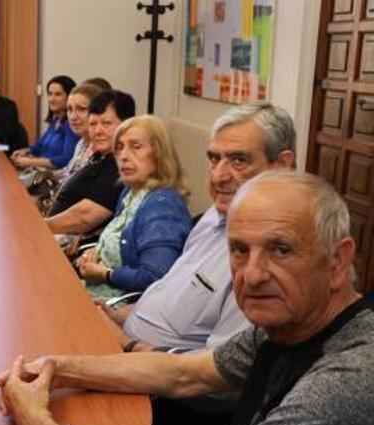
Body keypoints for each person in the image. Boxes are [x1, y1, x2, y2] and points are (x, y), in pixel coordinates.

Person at [0, 170, 373, 425]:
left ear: (338, 261)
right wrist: (54, 367)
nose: (253, 274)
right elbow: (183, 374)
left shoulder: (350, 376)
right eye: (239, 250)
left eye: (281, 250)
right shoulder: (289, 325)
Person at [102, 103, 296, 353]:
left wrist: (124, 343)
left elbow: (212, 374)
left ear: (281, 165)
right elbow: (169, 297)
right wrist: (115, 316)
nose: (217, 177)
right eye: (214, 159)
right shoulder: (215, 215)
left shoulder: (270, 260)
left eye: (238, 160)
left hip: (150, 378)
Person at [77, 115, 191, 301]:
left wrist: (106, 274)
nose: (123, 156)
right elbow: (118, 242)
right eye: (120, 148)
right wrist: (96, 253)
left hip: (120, 310)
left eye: (135, 147)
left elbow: (155, 277)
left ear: (159, 153)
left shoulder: (162, 205)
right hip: (94, 294)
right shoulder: (131, 192)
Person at [45, 90, 136, 236]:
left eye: (106, 123)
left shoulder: (121, 164)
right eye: (93, 124)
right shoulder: (100, 156)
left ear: (126, 125)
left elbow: (84, 218)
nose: (98, 131)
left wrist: (39, 226)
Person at [35, 82, 106, 214]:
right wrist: (37, 178)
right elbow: (67, 172)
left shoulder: (102, 151)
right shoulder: (82, 143)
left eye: (81, 109)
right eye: (70, 109)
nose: (73, 117)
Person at [11, 75, 77, 170]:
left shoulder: (72, 126)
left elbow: (66, 160)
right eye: (50, 94)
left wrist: (30, 162)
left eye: (58, 94)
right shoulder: (55, 121)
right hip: (40, 172)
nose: (52, 99)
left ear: (69, 97)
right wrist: (26, 151)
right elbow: (40, 147)